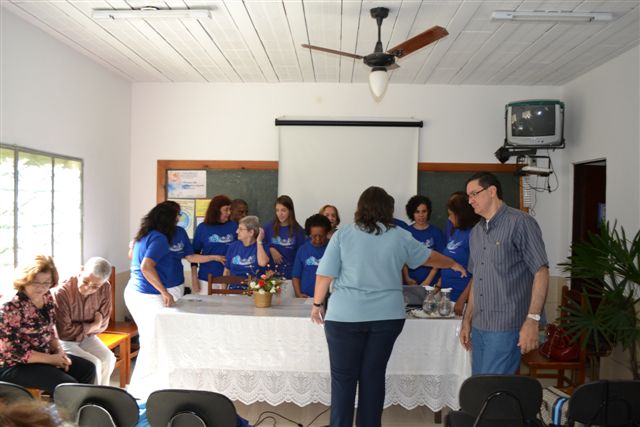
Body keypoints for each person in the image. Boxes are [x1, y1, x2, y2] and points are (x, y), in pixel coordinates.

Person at [310, 186, 466, 427]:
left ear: (360, 207)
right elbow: (428, 257)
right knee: (373, 377)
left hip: (344, 317)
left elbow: (324, 275)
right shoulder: (399, 235)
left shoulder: (344, 234)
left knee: (343, 380)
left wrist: (317, 304)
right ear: (388, 210)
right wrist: (453, 263)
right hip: (386, 318)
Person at [459, 172, 549, 375]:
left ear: (492, 191)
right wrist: (467, 320)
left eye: (474, 194)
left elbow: (541, 272)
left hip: (507, 326)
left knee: (493, 387)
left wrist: (532, 320)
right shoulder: (476, 232)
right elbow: (477, 280)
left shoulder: (521, 223)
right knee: (480, 385)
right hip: (480, 325)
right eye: (468, 196)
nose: (470, 201)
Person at [0, 255, 95, 394]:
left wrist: (59, 351)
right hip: (14, 364)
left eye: (46, 283)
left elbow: (49, 328)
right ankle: (66, 406)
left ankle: (77, 407)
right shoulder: (10, 305)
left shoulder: (47, 296)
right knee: (69, 386)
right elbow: (13, 352)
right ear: (25, 279)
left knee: (87, 369)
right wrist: (51, 360)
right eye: (36, 282)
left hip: (43, 354)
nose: (41, 288)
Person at [51, 256, 115, 386]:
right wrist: (93, 325)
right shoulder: (62, 291)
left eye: (95, 287)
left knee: (108, 358)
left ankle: (103, 394)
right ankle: (91, 396)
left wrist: (91, 327)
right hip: (63, 341)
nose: (88, 288)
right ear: (81, 270)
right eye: (85, 281)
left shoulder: (105, 288)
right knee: (94, 363)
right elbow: (64, 332)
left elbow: (103, 324)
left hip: (88, 337)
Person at [434, 192, 480, 315]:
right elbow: (448, 262)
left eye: (451, 215)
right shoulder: (456, 231)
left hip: (462, 301)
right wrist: (438, 287)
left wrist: (462, 299)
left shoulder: (475, 234)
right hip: (447, 298)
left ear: (461, 214)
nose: (449, 218)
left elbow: (478, 273)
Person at [192, 195, 237, 293]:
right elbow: (194, 255)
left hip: (229, 278)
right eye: (226, 210)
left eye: (230, 209)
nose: (229, 213)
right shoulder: (202, 228)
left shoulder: (234, 226)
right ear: (216, 210)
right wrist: (194, 278)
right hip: (206, 278)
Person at [403, 195, 446, 287]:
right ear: (412, 213)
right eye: (417, 212)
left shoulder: (436, 232)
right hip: (411, 283)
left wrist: (428, 281)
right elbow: (403, 258)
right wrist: (407, 278)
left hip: (432, 285)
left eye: (424, 211)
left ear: (428, 212)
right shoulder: (406, 232)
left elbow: (440, 259)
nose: (421, 215)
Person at [264, 195, 305, 278]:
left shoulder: (298, 230)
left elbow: (301, 255)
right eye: (277, 210)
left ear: (290, 211)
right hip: (271, 275)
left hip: (290, 275)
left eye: (283, 210)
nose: (280, 214)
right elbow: (261, 245)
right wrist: (270, 249)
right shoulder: (268, 228)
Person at [223, 215, 269, 288]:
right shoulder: (233, 246)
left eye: (240, 229)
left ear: (251, 232)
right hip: (233, 290)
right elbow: (226, 271)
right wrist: (223, 292)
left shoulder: (261, 247)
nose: (237, 231)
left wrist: (259, 241)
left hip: (254, 292)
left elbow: (262, 263)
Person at [292, 214, 331, 298]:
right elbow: (296, 276)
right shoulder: (303, 249)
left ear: (327, 233)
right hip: (306, 297)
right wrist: (298, 294)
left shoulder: (333, 248)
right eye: (314, 236)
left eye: (321, 236)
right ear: (309, 234)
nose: (318, 239)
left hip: (327, 298)